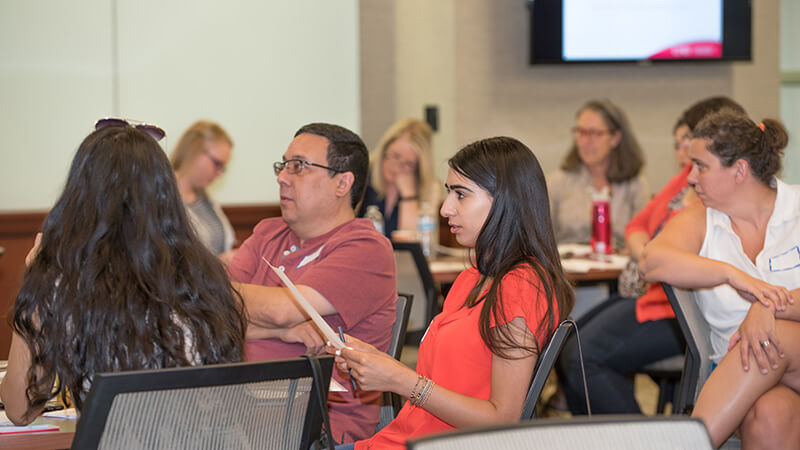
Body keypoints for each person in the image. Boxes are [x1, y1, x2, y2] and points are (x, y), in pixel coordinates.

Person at [328, 136, 575, 450]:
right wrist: (380, 364)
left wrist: (401, 380)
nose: (446, 209)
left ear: (505, 201)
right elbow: (450, 380)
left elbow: (503, 421)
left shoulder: (520, 287)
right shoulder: (473, 278)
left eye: (461, 195)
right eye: (448, 193)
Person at [0, 120, 246, 425]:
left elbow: (19, 408)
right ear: (165, 194)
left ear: (79, 195)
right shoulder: (205, 277)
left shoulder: (65, 282)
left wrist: (35, 283)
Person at [559, 97, 745, 415]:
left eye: (689, 141)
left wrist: (653, 257)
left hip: (681, 311)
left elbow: (675, 254)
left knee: (584, 357)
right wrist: (651, 255)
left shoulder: (719, 192)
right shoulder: (687, 178)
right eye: (683, 142)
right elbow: (637, 227)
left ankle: (641, 440)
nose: (686, 154)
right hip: (652, 295)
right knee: (565, 343)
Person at [227, 123, 397, 445]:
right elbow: (204, 314)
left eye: (299, 166)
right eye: (283, 165)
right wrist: (277, 332)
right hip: (239, 410)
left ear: (343, 183)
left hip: (313, 427)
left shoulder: (366, 248)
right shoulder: (269, 232)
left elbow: (283, 310)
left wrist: (270, 320)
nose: (282, 177)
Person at [640, 110, 800, 449]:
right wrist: (733, 275)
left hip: (789, 347)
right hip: (743, 378)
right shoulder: (699, 220)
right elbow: (651, 262)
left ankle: (689, 444)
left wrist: (767, 308)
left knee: (774, 336)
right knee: (771, 413)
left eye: (701, 166)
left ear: (739, 170)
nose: (690, 178)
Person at [547, 99, 650, 248]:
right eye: (581, 132)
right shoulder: (557, 182)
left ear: (615, 138)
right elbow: (540, 239)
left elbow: (645, 238)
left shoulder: (635, 184)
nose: (585, 141)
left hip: (619, 267)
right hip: (567, 267)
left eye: (594, 133)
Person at [358, 118, 438, 238]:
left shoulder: (429, 187)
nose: (397, 167)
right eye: (395, 156)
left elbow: (413, 242)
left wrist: (408, 195)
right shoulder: (362, 172)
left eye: (408, 163)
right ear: (384, 149)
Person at [171, 120, 236, 263]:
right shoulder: (162, 198)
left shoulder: (207, 200)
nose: (219, 174)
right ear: (194, 150)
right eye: (217, 164)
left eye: (223, 168)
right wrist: (217, 264)